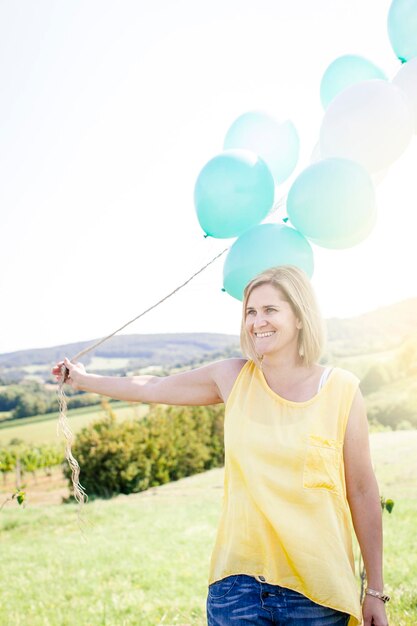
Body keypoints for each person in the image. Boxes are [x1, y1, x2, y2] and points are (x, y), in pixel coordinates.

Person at [52, 265, 389, 626]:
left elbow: (363, 491)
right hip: (237, 590)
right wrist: (84, 380)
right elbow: (151, 386)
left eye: (270, 310)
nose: (258, 321)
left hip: (318, 593)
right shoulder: (232, 378)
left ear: (301, 317)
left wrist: (375, 591)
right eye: (250, 312)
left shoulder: (341, 390)